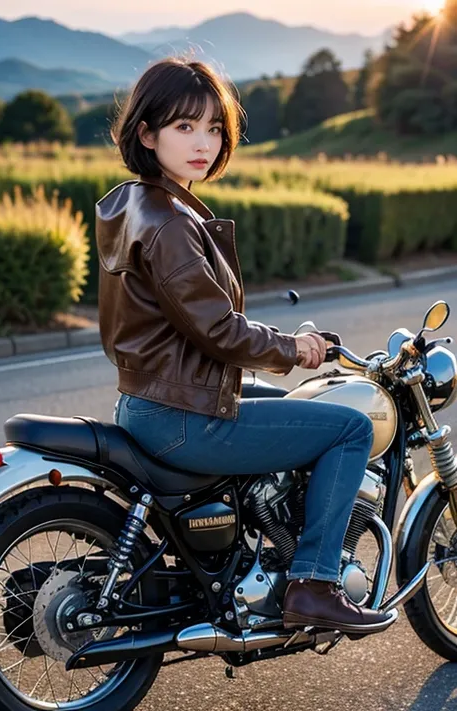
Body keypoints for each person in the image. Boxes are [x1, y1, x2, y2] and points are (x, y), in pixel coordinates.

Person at [96, 56, 392, 633]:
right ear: (147, 133)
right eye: (184, 127)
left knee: (287, 408)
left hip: (145, 400)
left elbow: (194, 326)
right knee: (349, 428)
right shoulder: (171, 223)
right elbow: (219, 330)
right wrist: (294, 348)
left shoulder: (136, 201)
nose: (202, 142)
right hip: (182, 418)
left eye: (213, 128)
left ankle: (257, 553)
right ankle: (313, 583)